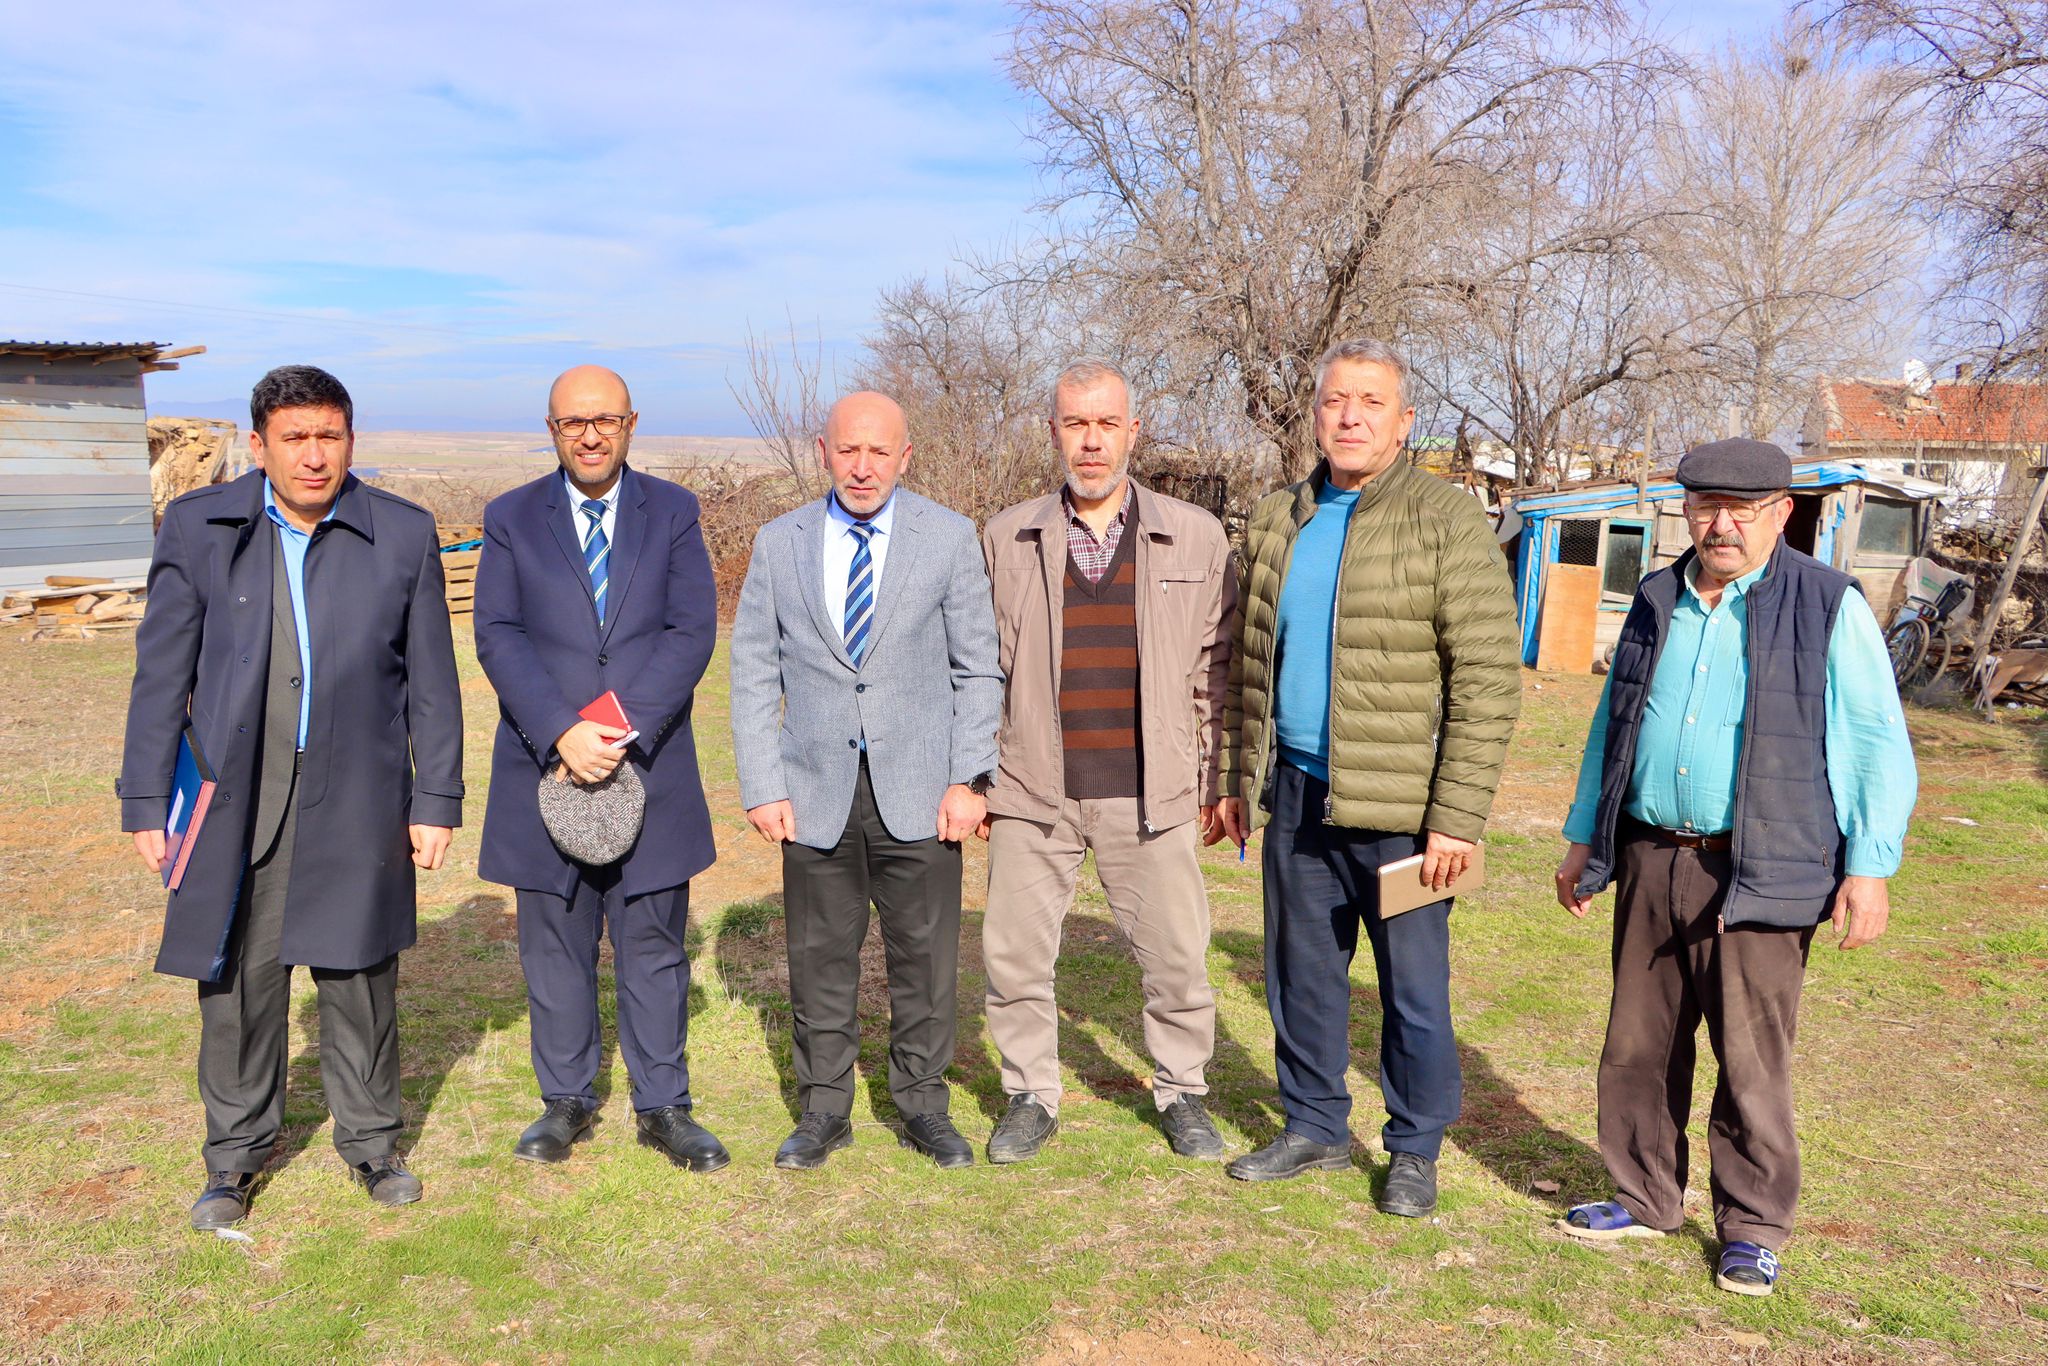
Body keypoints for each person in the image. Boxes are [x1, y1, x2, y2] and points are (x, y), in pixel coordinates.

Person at [1551, 437, 1917, 1298]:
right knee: (1638, 1044)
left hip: (1764, 865)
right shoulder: (1655, 596)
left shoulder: (1828, 604)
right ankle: (1643, 1194)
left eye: (1742, 511)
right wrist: (1583, 835)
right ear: (1686, 510)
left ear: (1780, 514)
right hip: (1651, 852)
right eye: (1706, 506)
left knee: (1752, 1059)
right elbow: (1614, 724)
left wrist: (1869, 867)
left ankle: (1751, 1227)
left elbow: (1873, 739)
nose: (1721, 525)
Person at [118, 365, 463, 1229]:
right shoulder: (201, 528)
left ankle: (374, 1145)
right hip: (237, 797)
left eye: (331, 436)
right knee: (236, 983)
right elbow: (161, 673)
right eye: (296, 438)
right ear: (260, 443)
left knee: (359, 978)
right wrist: (144, 799)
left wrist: (437, 799)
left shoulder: (402, 533)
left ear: (353, 438)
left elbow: (433, 682)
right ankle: (233, 1162)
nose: (315, 456)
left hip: (359, 793)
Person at [1217, 337, 1521, 1216]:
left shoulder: (1446, 519)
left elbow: (1487, 676)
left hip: (1403, 810)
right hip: (1300, 797)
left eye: (1370, 402)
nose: (1349, 417)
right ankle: (1312, 1125)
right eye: (1334, 401)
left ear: (1404, 419)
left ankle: (1415, 1147)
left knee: (1413, 990)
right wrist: (1242, 776)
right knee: (1301, 976)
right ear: (1314, 414)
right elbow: (1249, 664)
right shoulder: (1282, 516)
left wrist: (1455, 817)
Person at [729, 391, 1002, 1171]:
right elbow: (752, 670)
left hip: (921, 790)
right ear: (823, 450)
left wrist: (969, 779)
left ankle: (921, 1104)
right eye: (849, 450)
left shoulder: (948, 538)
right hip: (813, 790)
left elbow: (978, 666)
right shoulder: (779, 543)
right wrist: (761, 782)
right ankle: (823, 1111)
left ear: (906, 457)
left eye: (880, 452)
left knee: (924, 957)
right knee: (819, 957)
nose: (862, 466)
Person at [977, 359, 1237, 1163]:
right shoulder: (1006, 536)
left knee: (1176, 957)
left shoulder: (1195, 534)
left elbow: (1216, 669)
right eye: (1074, 424)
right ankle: (1030, 1093)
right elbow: (979, 667)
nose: (1090, 442)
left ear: (1133, 430)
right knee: (1015, 958)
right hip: (1032, 790)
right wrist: (980, 775)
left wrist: (1212, 779)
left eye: (1105, 424)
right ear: (1052, 431)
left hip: (1149, 790)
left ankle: (1183, 1092)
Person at [472, 366, 726, 1173]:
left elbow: (692, 631)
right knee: (555, 941)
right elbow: (498, 633)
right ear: (551, 430)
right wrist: (560, 732)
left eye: (605, 420)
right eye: (573, 422)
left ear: (631, 424)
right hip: (541, 762)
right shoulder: (511, 517)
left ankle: (664, 1107)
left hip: (646, 759)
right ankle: (566, 1101)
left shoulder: (675, 512)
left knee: (652, 940)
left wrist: (607, 731)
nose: (589, 435)